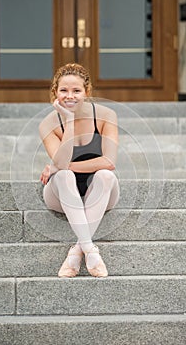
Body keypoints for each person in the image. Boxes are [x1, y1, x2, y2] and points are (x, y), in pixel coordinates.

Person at [39, 63, 120, 278]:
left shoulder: (106, 115)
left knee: (105, 175)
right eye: (64, 90)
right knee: (64, 175)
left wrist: (58, 167)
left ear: (87, 92)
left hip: (101, 192)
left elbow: (109, 161)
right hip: (61, 194)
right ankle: (90, 250)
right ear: (55, 92)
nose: (70, 96)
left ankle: (77, 251)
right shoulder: (48, 124)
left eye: (76, 91)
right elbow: (62, 162)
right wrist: (70, 121)